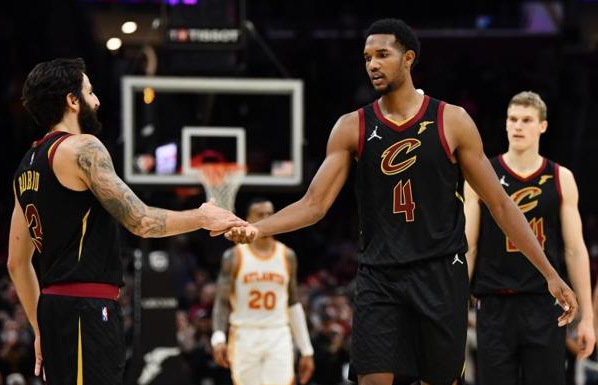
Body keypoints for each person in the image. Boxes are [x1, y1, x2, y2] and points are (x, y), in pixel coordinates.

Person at [221, 19, 578, 385]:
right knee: (372, 380)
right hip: (380, 276)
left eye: (382, 54)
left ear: (408, 58)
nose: (372, 64)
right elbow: (314, 203)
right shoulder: (351, 127)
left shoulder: (451, 121)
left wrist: (549, 274)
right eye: (366, 57)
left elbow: (500, 205)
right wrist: (257, 227)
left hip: (441, 274)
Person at [7, 58, 246, 385]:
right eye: (89, 93)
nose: (97, 101)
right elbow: (140, 220)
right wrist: (202, 216)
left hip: (53, 308)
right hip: (86, 309)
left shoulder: (26, 165)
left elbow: (16, 263)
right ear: (72, 101)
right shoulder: (83, 148)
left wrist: (39, 328)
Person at [464, 91, 595, 385]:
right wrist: (456, 303)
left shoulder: (561, 177)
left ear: (543, 126)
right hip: (494, 303)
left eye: (526, 120)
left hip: (545, 305)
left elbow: (575, 250)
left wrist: (587, 318)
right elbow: (468, 245)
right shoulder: (483, 173)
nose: (518, 126)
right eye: (512, 119)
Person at [211, 198, 315, 385]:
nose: (266, 218)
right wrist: (218, 336)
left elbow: (293, 303)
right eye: (260, 214)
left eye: (270, 214)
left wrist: (306, 349)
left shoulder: (287, 255)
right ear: (248, 219)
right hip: (244, 334)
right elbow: (221, 300)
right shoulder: (234, 256)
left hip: (278, 334)